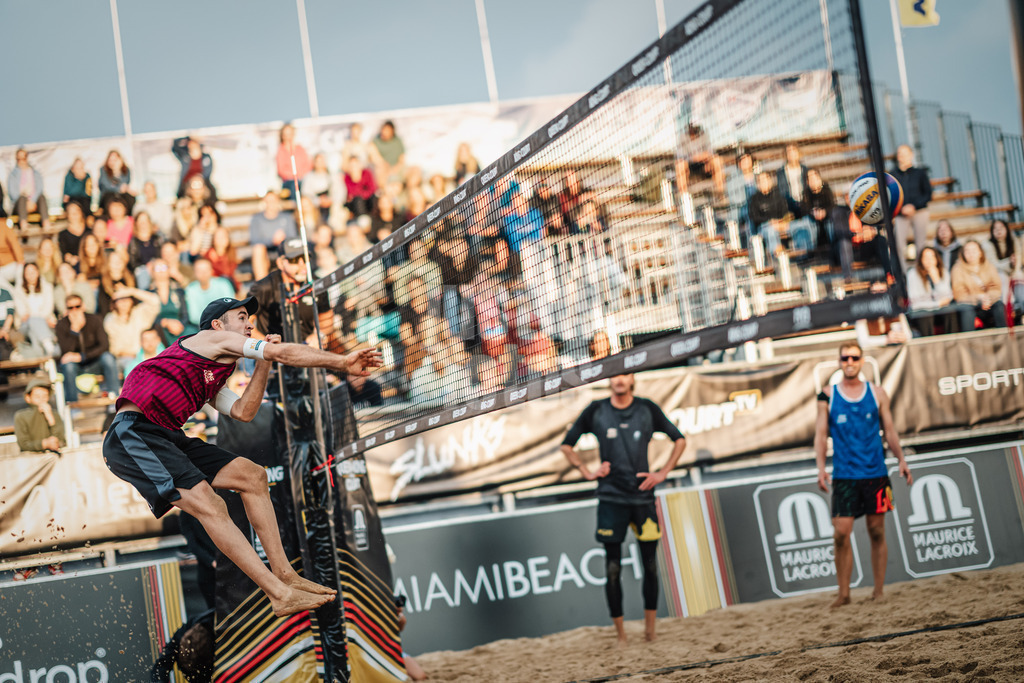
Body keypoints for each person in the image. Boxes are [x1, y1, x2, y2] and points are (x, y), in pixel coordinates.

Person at [103, 295, 382, 617]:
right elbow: (281, 351)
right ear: (218, 324)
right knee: (210, 504)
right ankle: (278, 594)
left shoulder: (211, 369)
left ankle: (285, 574)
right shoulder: (211, 338)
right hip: (133, 435)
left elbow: (243, 411)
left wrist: (263, 364)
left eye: (248, 317)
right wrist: (342, 363)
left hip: (166, 435)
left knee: (253, 476)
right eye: (241, 316)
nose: (249, 323)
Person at [560, 374, 686, 645]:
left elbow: (680, 439)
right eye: (614, 374)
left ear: (632, 379)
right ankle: (621, 636)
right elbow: (566, 445)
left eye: (624, 374)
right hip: (611, 499)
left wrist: (662, 473)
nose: (619, 379)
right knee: (612, 569)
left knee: (650, 567)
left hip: (642, 499)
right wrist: (587, 471)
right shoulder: (597, 410)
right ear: (609, 380)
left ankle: (650, 632)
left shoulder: (646, 408)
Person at [815, 342, 912, 608]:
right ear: (839, 361)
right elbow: (821, 434)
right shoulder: (827, 395)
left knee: (876, 532)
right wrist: (821, 467)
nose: (849, 361)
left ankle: (878, 592)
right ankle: (844, 594)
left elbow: (890, 431)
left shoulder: (878, 393)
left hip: (875, 473)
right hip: (845, 475)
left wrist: (901, 460)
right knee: (840, 534)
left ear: (862, 361)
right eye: (844, 357)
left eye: (854, 357)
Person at [56, 293, 121, 402]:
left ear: (83, 306)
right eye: (70, 308)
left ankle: (114, 397)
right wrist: (74, 331)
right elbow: (66, 352)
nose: (75, 310)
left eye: (77, 306)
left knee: (108, 358)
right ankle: (72, 404)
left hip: (94, 362)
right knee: (68, 365)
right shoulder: (61, 325)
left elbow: (104, 346)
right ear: (66, 309)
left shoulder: (95, 320)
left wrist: (83, 356)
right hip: (76, 366)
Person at [905, 246, 973, 336]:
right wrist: (937, 304)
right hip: (921, 311)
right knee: (924, 314)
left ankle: (953, 342)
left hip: (940, 310)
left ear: (936, 259)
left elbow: (948, 297)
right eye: (926, 257)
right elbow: (915, 303)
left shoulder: (943, 272)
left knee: (950, 311)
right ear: (920, 259)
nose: (929, 260)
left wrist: (936, 280)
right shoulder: (912, 274)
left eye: (932, 257)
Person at [889, 144, 932, 272]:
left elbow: (928, 194)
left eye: (905, 153)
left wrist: (914, 205)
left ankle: (922, 271)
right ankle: (903, 274)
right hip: (900, 213)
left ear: (911, 155)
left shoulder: (920, 173)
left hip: (919, 211)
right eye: (900, 154)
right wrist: (901, 208)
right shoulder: (892, 174)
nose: (902, 157)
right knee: (898, 245)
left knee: (921, 244)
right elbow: (890, 195)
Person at [951, 239, 1007, 329]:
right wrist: (978, 297)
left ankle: (1004, 335)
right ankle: (968, 340)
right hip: (970, 304)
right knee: (966, 310)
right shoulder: (957, 269)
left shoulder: (989, 266)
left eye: (974, 250)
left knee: (999, 305)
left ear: (980, 252)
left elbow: (996, 287)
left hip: (989, 302)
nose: (971, 254)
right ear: (963, 253)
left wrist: (987, 298)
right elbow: (959, 294)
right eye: (967, 251)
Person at [104, 287, 161, 374]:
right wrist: (134, 355)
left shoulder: (141, 312)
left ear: (131, 300)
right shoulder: (110, 320)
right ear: (114, 303)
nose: (124, 302)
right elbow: (115, 348)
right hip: (126, 359)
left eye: (126, 298)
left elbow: (155, 301)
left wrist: (132, 291)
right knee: (132, 365)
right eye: (120, 299)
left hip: (148, 355)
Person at [248, 190, 297, 281]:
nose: (271, 204)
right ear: (264, 203)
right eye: (268, 201)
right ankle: (262, 285)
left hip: (284, 251)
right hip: (266, 253)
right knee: (258, 249)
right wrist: (272, 241)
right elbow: (254, 240)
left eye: (273, 200)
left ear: (278, 201)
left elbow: (293, 238)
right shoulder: (256, 219)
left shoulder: (287, 217)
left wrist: (283, 240)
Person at [13, 263, 56, 358]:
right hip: (25, 325)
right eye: (27, 273)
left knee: (34, 331)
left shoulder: (47, 287)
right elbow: (22, 312)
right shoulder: (18, 290)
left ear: (37, 272)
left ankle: (43, 356)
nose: (30, 275)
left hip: (46, 322)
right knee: (33, 321)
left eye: (33, 272)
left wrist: (37, 318)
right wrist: (36, 318)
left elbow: (48, 308)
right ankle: (48, 344)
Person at [15, 377, 66, 454]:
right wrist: (44, 444)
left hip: (52, 456)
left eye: (45, 396)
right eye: (37, 396)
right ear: (28, 398)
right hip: (31, 459)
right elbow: (23, 444)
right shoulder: (21, 416)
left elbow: (61, 440)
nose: (42, 399)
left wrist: (51, 420)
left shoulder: (54, 414)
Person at [184, 258, 236, 328]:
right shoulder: (191, 289)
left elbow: (232, 306)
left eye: (206, 270)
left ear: (211, 270)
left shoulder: (224, 284)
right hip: (203, 328)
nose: (203, 273)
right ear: (194, 273)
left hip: (226, 325)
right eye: (199, 271)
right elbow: (194, 317)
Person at [8, 148, 50, 231]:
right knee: (22, 198)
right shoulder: (12, 175)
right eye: (18, 159)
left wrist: (32, 202)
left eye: (23, 158)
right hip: (20, 204)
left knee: (42, 197)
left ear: (27, 158)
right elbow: (13, 194)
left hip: (34, 204)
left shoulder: (35, 173)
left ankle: (46, 224)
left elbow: (39, 189)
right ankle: (23, 225)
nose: (21, 161)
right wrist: (26, 204)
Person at [173, 135, 215, 199]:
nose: (197, 183)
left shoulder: (183, 171)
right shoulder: (207, 166)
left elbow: (174, 147)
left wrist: (187, 139)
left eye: (195, 186)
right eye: (199, 186)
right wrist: (199, 144)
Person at [276, 123, 311, 199]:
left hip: (303, 179)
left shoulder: (300, 149)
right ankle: (296, 207)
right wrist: (294, 176)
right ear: (282, 136)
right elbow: (281, 170)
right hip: (290, 182)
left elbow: (308, 165)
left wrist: (301, 175)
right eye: (286, 134)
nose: (288, 136)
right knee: (295, 185)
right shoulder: (281, 151)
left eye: (290, 133)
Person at [98, 149, 136, 214]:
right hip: (108, 195)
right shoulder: (103, 170)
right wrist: (119, 188)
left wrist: (118, 171)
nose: (112, 162)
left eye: (115, 160)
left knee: (130, 198)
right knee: (110, 197)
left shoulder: (126, 170)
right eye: (110, 160)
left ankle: (129, 217)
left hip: (121, 195)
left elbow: (125, 183)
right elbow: (107, 185)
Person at [369, 120, 406, 186]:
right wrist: (384, 166)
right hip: (383, 169)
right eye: (384, 130)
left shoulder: (398, 141)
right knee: (380, 171)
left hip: (396, 169)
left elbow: (402, 160)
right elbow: (374, 157)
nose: (384, 132)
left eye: (387, 130)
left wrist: (394, 170)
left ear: (392, 132)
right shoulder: (376, 141)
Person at [58, 202, 90, 268]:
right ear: (67, 215)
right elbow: (65, 255)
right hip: (73, 267)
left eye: (77, 211)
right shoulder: (63, 235)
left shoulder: (89, 231)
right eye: (71, 212)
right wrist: (70, 259)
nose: (74, 214)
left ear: (81, 212)